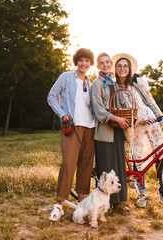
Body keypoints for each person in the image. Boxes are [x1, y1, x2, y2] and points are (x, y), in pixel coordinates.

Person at [111, 53, 163, 207]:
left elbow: (150, 100)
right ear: (115, 69)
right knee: (137, 159)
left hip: (151, 123)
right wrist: (137, 120)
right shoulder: (114, 87)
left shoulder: (137, 82)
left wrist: (160, 116)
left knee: (160, 156)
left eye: (125, 66)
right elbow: (118, 110)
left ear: (130, 69)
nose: (122, 69)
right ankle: (142, 194)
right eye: (119, 66)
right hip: (135, 127)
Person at [47, 48, 96, 221]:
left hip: (90, 127)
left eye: (87, 61)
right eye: (81, 60)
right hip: (73, 126)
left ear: (91, 64)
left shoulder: (91, 84)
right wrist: (62, 114)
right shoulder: (66, 77)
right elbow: (51, 97)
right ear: (76, 61)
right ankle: (59, 204)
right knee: (68, 163)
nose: (84, 63)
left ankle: (82, 205)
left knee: (85, 166)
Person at [91, 52, 130, 213]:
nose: (106, 65)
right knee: (106, 169)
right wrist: (116, 117)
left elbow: (123, 102)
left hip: (118, 131)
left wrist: (128, 112)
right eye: (102, 63)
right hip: (104, 132)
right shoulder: (96, 84)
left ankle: (118, 202)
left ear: (110, 63)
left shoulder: (114, 83)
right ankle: (103, 204)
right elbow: (99, 110)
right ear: (98, 66)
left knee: (119, 167)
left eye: (108, 62)